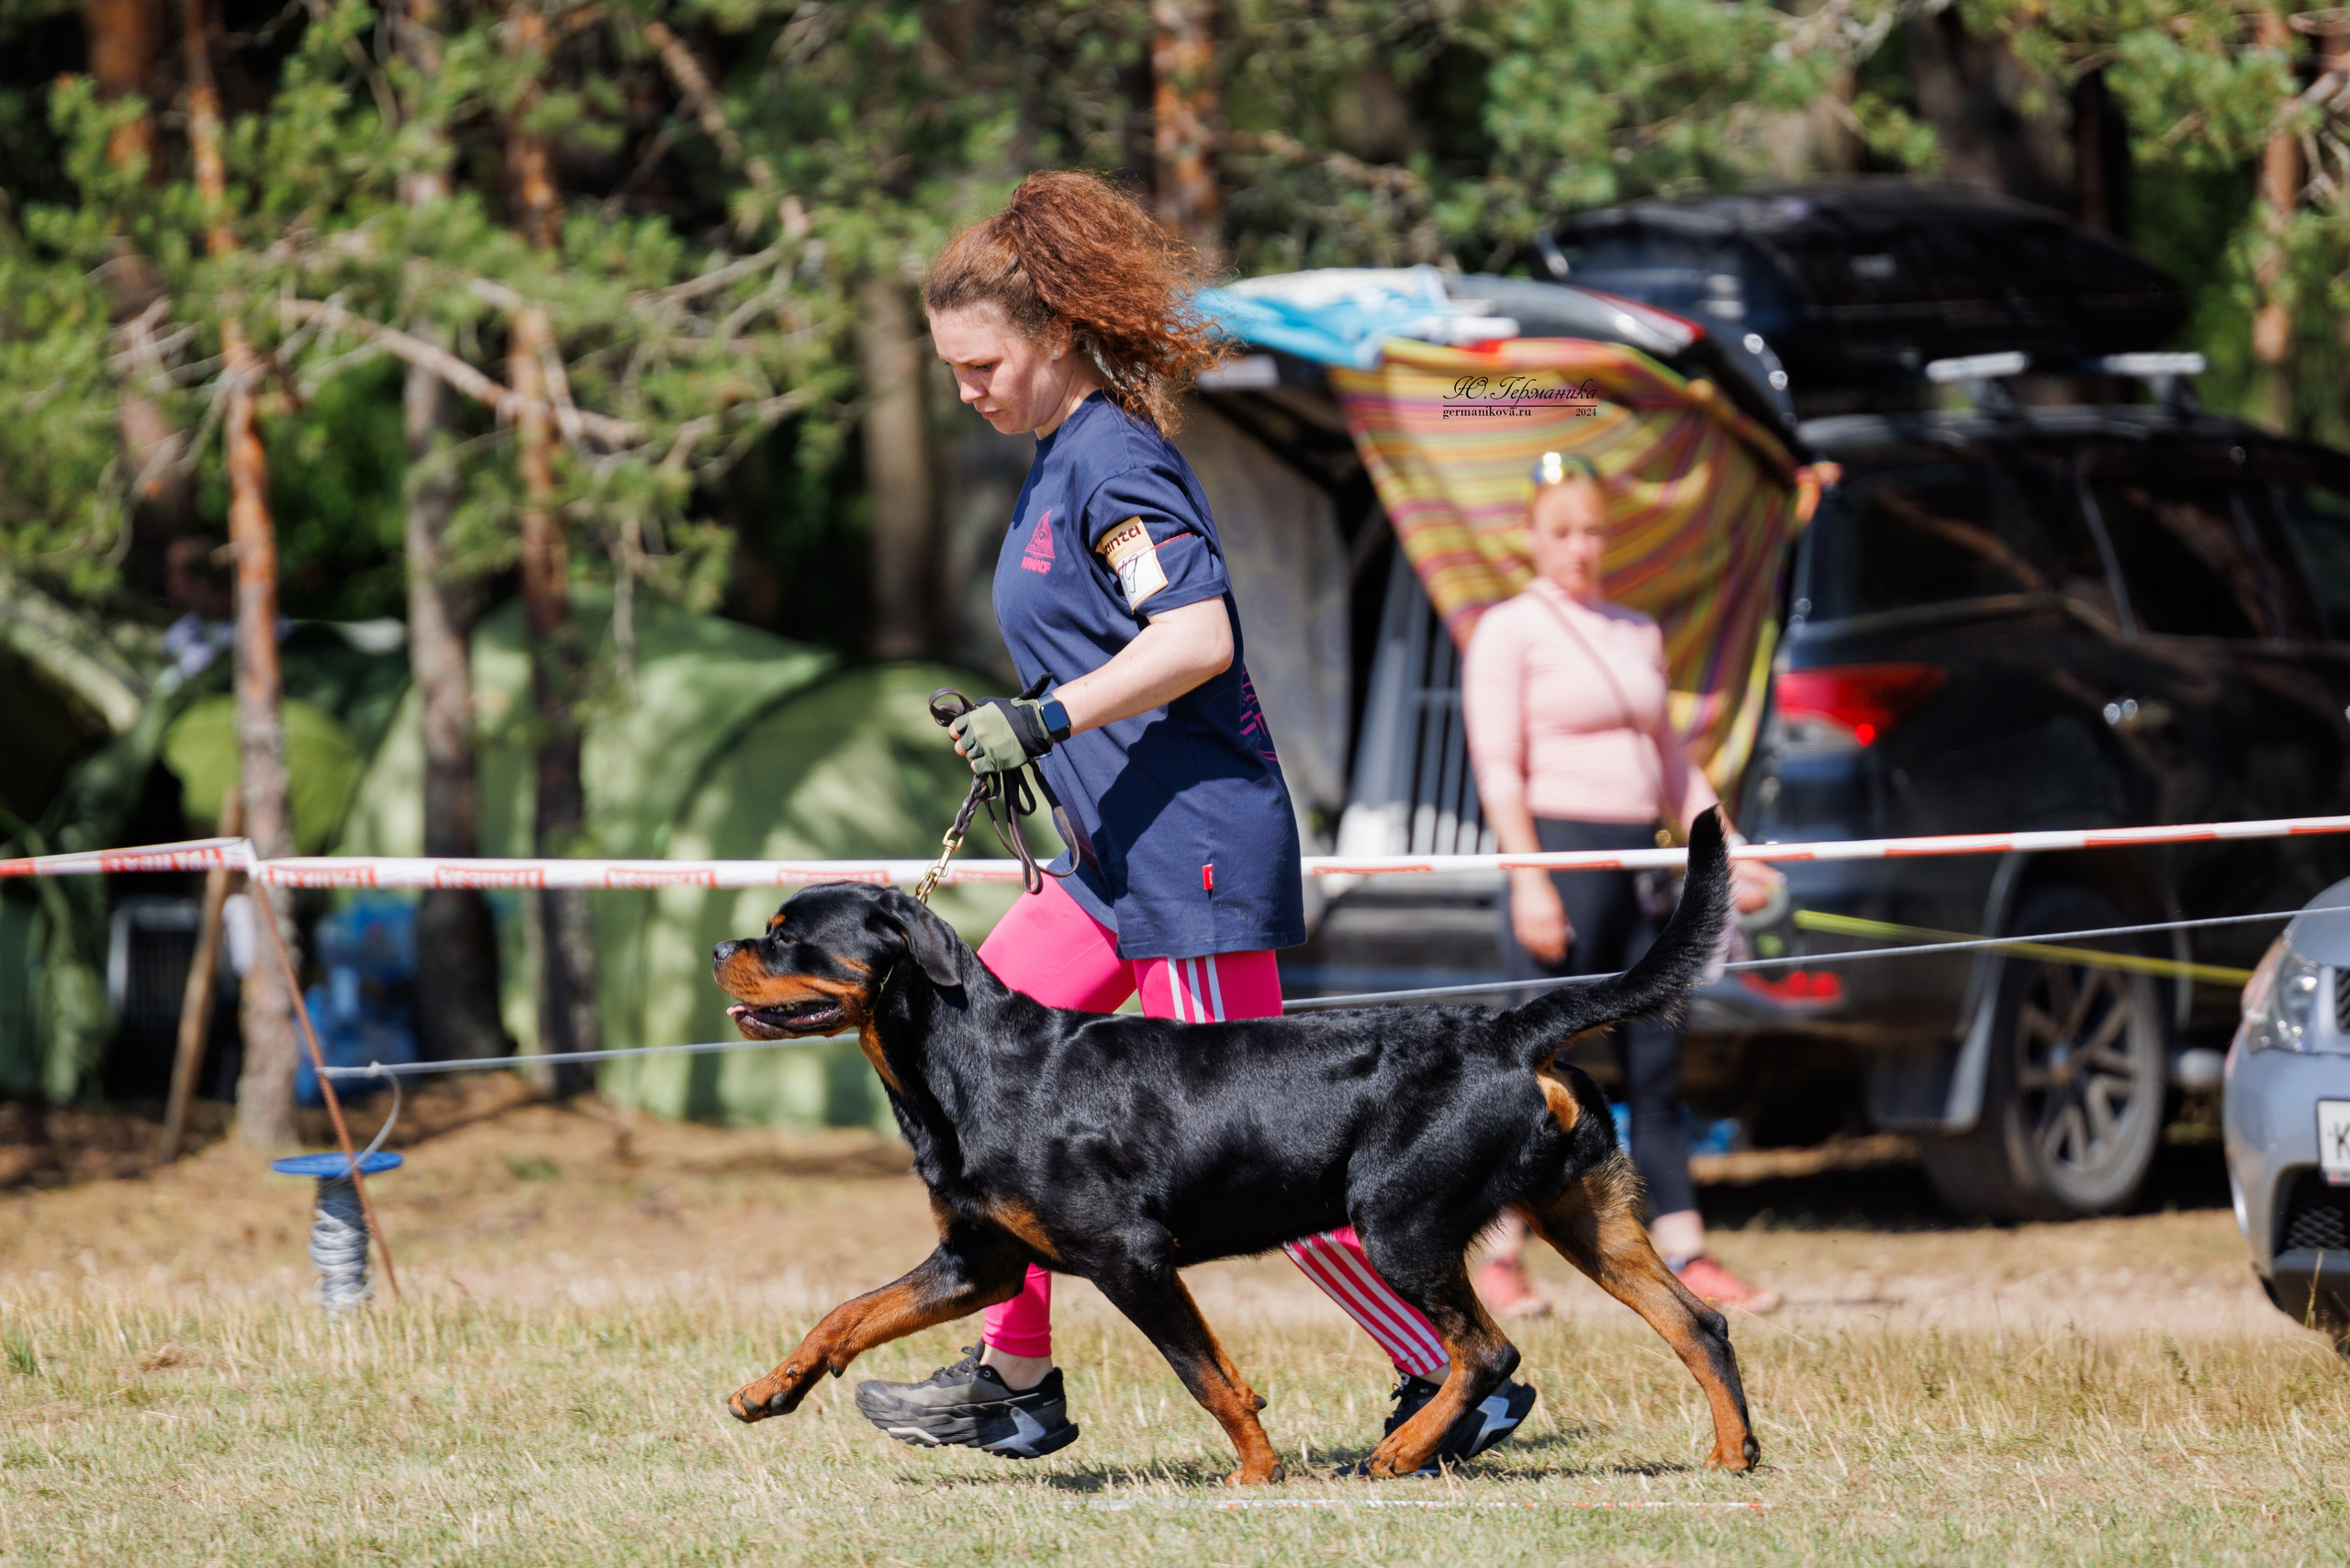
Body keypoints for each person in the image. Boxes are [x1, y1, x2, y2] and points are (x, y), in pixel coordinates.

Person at [849, 171, 1539, 1466]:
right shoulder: (1057, 457)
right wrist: (1039, 736)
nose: (966, 390)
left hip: (1196, 855)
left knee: (1268, 1155)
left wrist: (1045, 721)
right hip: (1107, 862)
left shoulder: (1114, 455)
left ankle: (1456, 1373)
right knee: (975, 1077)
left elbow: (1197, 638)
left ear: (1053, 332)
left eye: (981, 363)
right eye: (948, 369)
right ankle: (1014, 1374)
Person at [1461, 451, 1784, 1318]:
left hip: (1644, 866)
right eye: (1562, 531)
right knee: (1529, 1069)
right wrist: (1530, 877)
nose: (1581, 547)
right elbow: (1499, 767)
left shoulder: (1636, 631)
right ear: (1529, 536)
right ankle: (1499, 1257)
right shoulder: (1508, 629)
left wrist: (1732, 851)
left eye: (1594, 530)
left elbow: (1674, 764)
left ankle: (1686, 1247)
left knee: (1657, 1061)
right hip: (1561, 863)